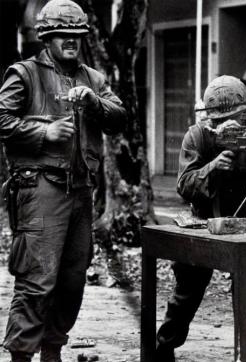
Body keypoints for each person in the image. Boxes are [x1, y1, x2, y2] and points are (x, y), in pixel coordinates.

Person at [0, 0, 127, 361]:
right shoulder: (24, 74)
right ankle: (22, 354)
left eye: (76, 35)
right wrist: (44, 131)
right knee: (37, 279)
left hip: (81, 193)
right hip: (40, 188)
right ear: (47, 37)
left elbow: (119, 118)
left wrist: (94, 103)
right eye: (62, 35)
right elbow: (2, 120)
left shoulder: (94, 79)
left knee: (73, 280)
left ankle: (52, 350)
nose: (71, 41)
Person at [155, 75, 246, 362]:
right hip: (205, 224)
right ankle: (164, 347)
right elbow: (184, 185)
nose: (228, 125)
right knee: (187, 291)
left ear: (245, 115)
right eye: (220, 120)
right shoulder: (199, 135)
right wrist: (213, 167)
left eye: (236, 118)